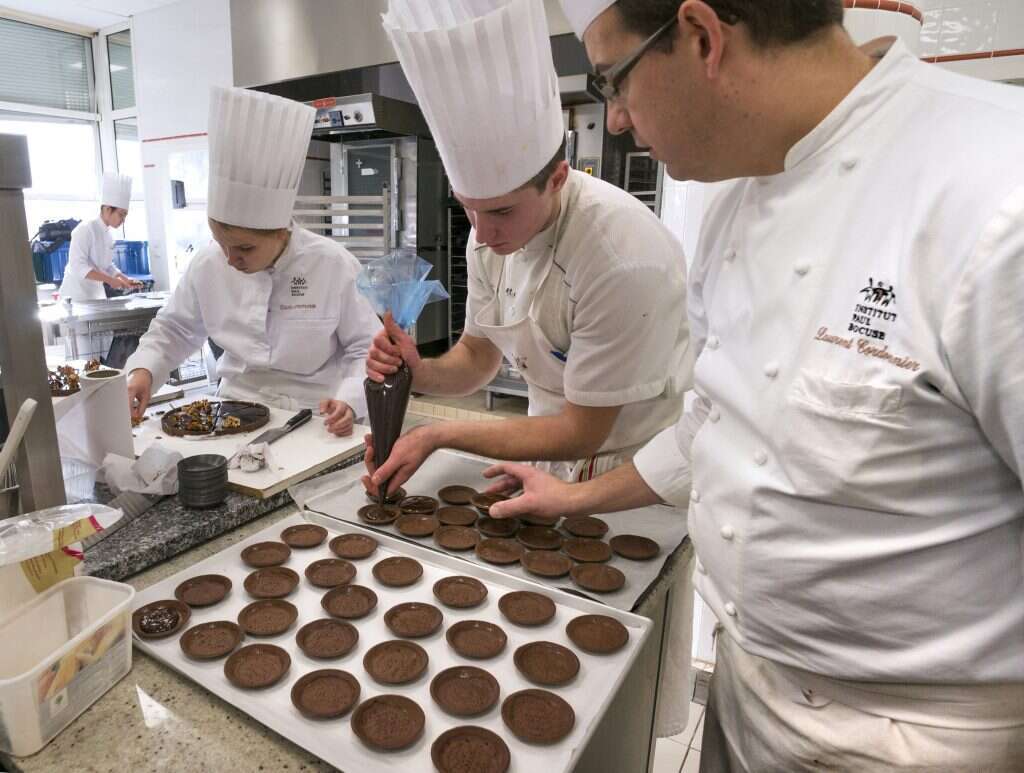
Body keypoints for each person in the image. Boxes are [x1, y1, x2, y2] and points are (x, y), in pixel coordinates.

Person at [484, 1, 1024, 770]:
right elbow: (710, 427)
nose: (622, 120)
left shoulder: (1000, 195)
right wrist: (569, 497)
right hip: (745, 697)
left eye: (613, 80)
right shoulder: (733, 208)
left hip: (925, 741)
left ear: (702, 37)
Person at [365, 0, 692, 495]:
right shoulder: (484, 237)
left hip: (626, 478)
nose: (483, 231)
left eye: (500, 211)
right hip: (540, 461)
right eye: (467, 207)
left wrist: (438, 434)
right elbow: (478, 357)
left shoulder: (621, 258)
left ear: (557, 179)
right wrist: (421, 371)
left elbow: (583, 430)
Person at [125, 87, 381, 436]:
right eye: (221, 243)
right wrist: (144, 371)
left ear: (281, 232)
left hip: (316, 415)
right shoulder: (208, 264)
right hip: (231, 411)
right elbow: (176, 328)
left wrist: (350, 400)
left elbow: (366, 345)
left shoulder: (333, 265)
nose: (231, 260)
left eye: (244, 248)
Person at [59, 173, 142, 302]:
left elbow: (107, 266)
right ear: (108, 209)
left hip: (95, 294)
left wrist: (125, 279)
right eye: (121, 215)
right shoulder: (85, 229)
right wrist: (110, 280)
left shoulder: (108, 234)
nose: (123, 220)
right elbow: (78, 267)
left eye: (125, 215)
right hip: (76, 295)